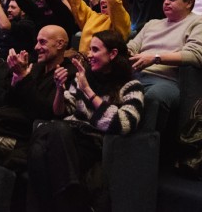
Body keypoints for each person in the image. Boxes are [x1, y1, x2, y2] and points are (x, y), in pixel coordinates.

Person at [28, 31, 145, 212]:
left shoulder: (131, 87)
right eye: (89, 49)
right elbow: (61, 111)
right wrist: (60, 89)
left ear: (113, 54)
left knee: (43, 144)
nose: (89, 55)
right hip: (66, 137)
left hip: (90, 142)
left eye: (95, 50)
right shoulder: (84, 78)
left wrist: (89, 92)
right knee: (46, 140)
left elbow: (123, 123)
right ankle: (72, 202)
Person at [127, 0, 202, 132]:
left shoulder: (198, 23)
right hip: (136, 74)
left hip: (166, 81)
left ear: (189, 3)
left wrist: (155, 58)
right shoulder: (152, 24)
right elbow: (132, 46)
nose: (166, 2)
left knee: (153, 97)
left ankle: (145, 146)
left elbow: (197, 55)